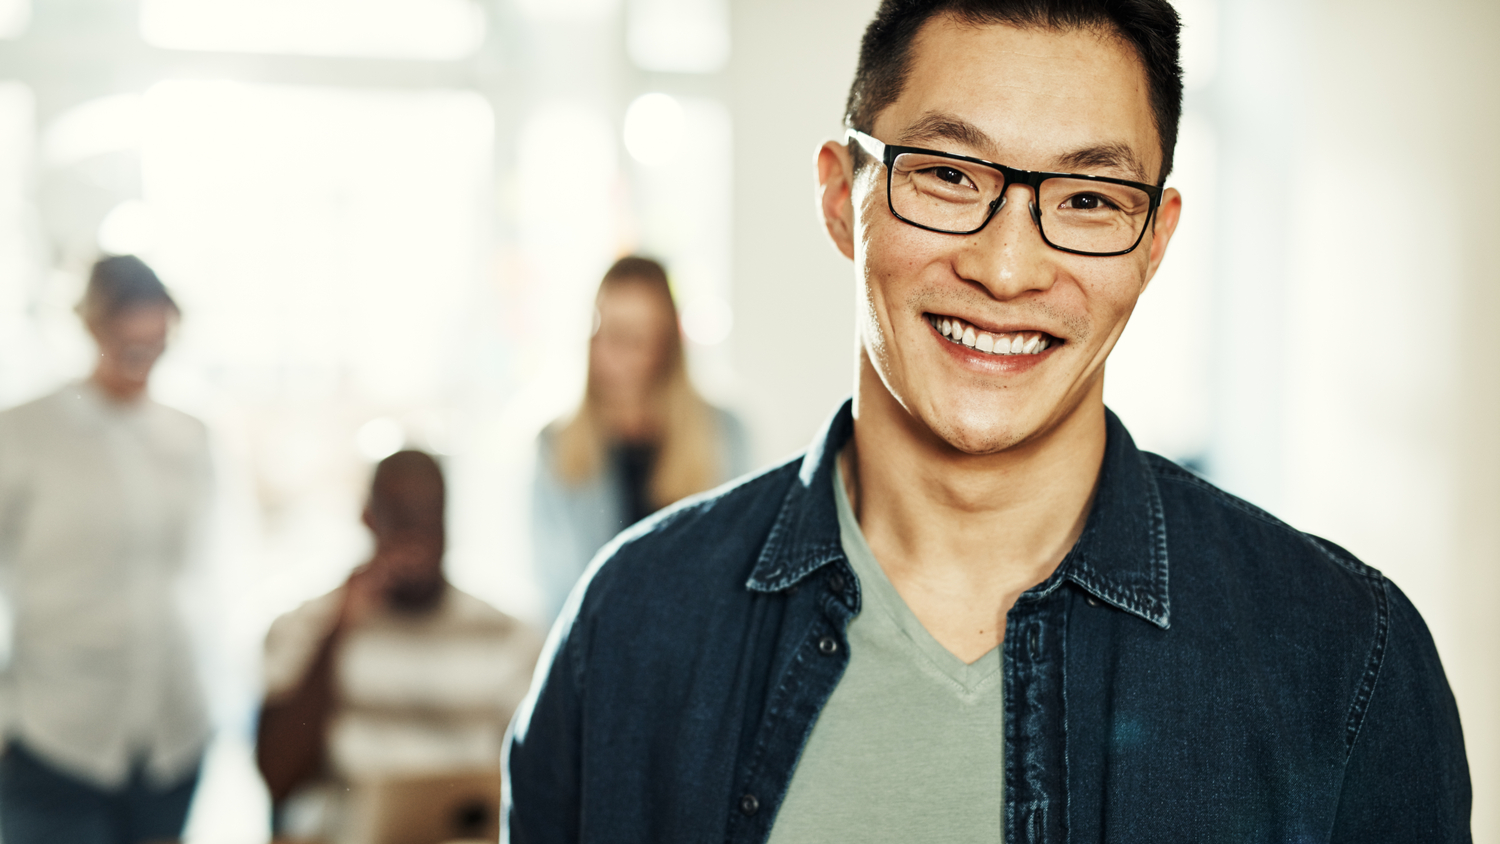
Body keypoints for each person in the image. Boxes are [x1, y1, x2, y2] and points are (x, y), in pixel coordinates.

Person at [504, 0, 1471, 841]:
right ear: (845, 197)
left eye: (1091, 197)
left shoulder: (1348, 662)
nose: (1006, 272)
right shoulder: (629, 627)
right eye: (950, 176)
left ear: (1154, 243)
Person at [0, 255, 214, 844]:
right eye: (130, 346)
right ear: (93, 328)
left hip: (171, 734)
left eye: (158, 345)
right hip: (52, 731)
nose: (143, 363)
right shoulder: (21, 432)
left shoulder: (189, 435)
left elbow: (205, 577)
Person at [258, 449, 542, 844]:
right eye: (403, 518)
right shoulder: (306, 626)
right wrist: (338, 631)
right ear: (369, 519)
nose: (418, 537)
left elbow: (538, 780)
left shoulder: (509, 636)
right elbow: (277, 776)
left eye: (431, 518)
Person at [531, 256, 750, 622]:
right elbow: (557, 593)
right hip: (597, 653)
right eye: (606, 333)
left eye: (634, 338)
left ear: (665, 345)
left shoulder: (724, 434)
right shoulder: (555, 445)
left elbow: (740, 567)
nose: (614, 354)